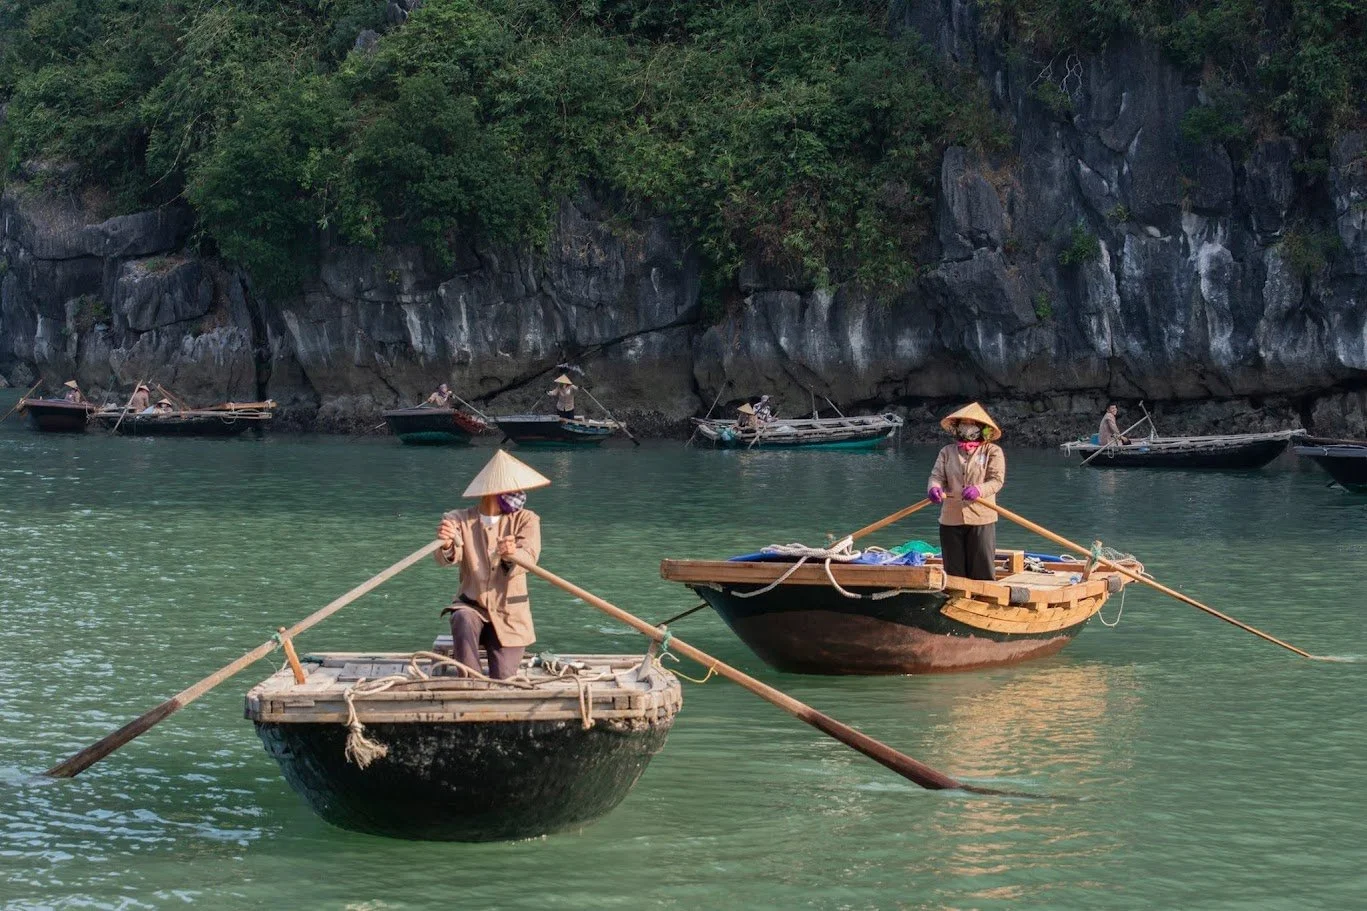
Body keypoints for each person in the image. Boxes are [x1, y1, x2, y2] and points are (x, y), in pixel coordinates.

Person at [434, 450, 549, 680]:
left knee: (504, 677)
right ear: (493, 492)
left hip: (509, 615)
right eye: (511, 490)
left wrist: (511, 554)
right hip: (472, 607)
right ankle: (472, 684)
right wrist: (446, 543)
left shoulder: (527, 519)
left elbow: (529, 555)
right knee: (462, 617)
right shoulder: (459, 518)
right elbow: (447, 556)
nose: (518, 495)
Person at [927, 402, 1006, 582]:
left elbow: (996, 480)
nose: (967, 427)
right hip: (950, 518)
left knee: (982, 568)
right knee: (953, 571)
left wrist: (979, 490)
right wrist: (934, 488)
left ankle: (985, 601)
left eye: (972, 423)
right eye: (964, 423)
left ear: (982, 428)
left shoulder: (992, 451)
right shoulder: (946, 452)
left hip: (981, 518)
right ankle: (955, 600)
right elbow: (936, 476)